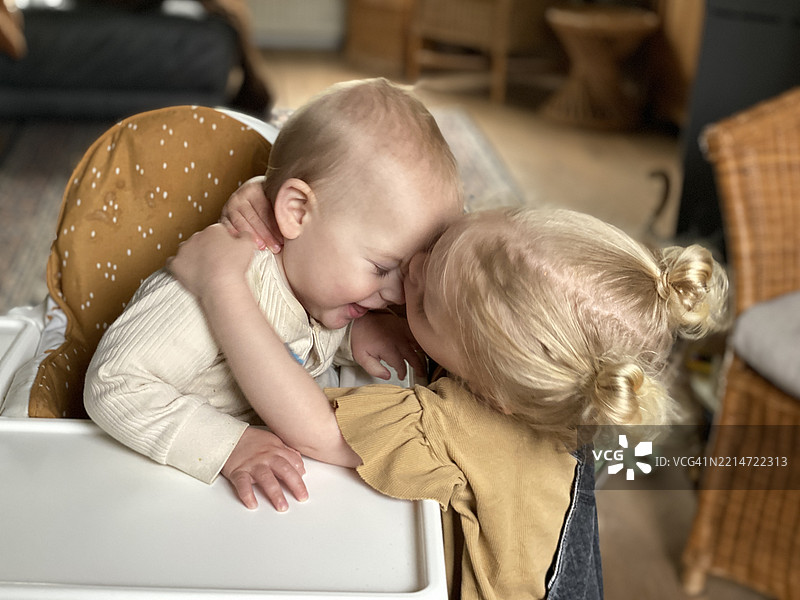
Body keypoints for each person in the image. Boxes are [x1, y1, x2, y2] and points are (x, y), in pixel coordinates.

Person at [166, 206, 730, 600]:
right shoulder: (560, 389)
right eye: (441, 242)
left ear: (491, 392)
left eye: (426, 304)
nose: (410, 268)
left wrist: (223, 286)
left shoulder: (457, 428)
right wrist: (271, 203)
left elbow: (312, 427)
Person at [84, 78, 463, 510]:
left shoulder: (318, 286)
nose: (396, 294)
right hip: (136, 477)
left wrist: (354, 333)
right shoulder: (211, 284)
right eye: (381, 268)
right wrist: (228, 444)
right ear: (296, 212)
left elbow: (295, 340)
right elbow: (113, 385)